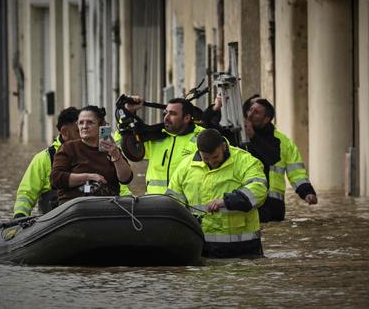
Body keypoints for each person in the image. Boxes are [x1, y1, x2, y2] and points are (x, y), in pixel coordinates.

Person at [202, 94, 317, 222]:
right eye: (250, 110)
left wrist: (307, 192)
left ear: (266, 119)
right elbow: (208, 131)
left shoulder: (278, 141)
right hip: (239, 201)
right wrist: (216, 108)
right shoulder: (236, 133)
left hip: (272, 205)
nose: (250, 114)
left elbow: (292, 169)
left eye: (256, 112)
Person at [167, 128, 268, 258]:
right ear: (199, 152)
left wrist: (226, 201)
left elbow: (259, 190)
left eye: (215, 157)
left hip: (243, 247)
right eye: (206, 158)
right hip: (203, 247)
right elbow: (173, 201)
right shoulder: (185, 167)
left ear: (224, 146)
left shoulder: (245, 161)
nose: (212, 162)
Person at [50, 105, 133, 204]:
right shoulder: (68, 148)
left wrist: (116, 155)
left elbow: (126, 178)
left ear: (101, 125)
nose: (84, 126)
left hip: (106, 207)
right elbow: (56, 178)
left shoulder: (111, 149)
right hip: (74, 207)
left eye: (90, 122)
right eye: (81, 123)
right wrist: (89, 177)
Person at [122, 96, 204, 194]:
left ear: (186, 118)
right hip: (155, 204)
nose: (166, 117)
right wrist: (129, 112)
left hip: (186, 206)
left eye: (173, 114)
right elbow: (124, 144)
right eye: (166, 113)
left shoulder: (202, 137)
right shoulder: (156, 136)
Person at [13, 107, 80, 218]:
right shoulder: (44, 158)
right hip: (53, 221)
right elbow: (26, 193)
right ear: (65, 132)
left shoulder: (91, 153)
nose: (83, 134)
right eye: (78, 130)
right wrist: (20, 216)